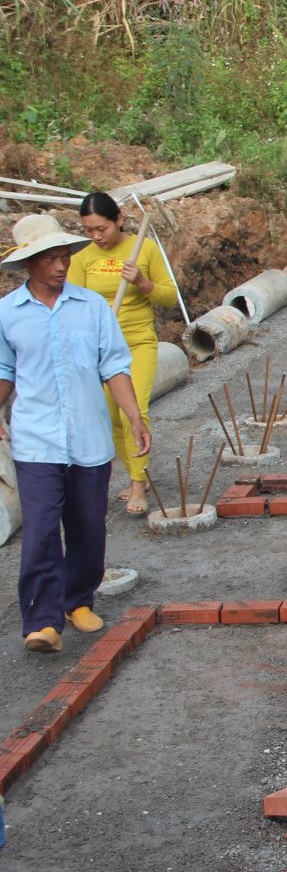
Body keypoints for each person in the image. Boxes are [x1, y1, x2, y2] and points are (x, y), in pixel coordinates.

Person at [0, 215, 150, 653]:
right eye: (49, 258)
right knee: (42, 530)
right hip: (35, 440)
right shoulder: (7, 314)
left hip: (88, 439)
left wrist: (134, 417)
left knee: (87, 528)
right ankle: (42, 621)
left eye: (63, 256)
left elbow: (114, 365)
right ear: (28, 264)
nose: (60, 265)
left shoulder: (92, 308)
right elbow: (5, 372)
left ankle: (77, 599)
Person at [67, 192, 177, 516]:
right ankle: (135, 468)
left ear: (119, 219)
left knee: (135, 411)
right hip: (98, 348)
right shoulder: (81, 256)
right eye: (89, 230)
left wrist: (142, 282)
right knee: (110, 416)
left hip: (137, 343)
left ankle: (138, 481)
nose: (97, 236)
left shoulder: (143, 248)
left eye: (102, 228)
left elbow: (170, 297)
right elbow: (70, 303)